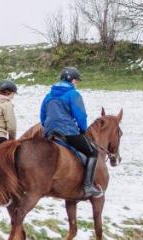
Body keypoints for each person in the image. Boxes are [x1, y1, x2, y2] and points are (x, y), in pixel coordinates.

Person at [40, 66, 101, 198]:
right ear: (72, 80)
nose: (76, 83)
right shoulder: (73, 94)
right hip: (67, 132)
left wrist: (48, 128)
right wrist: (83, 130)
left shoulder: (48, 95)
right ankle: (88, 186)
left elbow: (42, 116)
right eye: (76, 81)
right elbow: (80, 115)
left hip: (50, 133)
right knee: (93, 153)